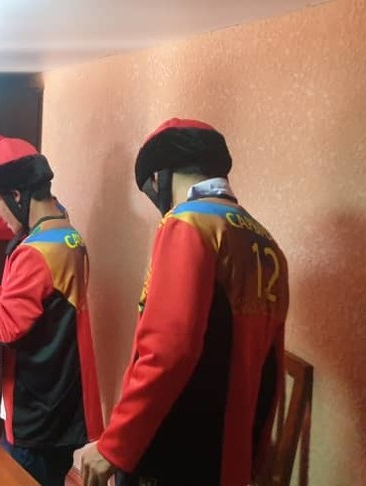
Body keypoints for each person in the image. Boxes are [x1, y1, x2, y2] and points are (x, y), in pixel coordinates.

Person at [79, 119, 290, 486]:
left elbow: (167, 350)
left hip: (178, 450)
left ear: (158, 178)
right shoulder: (265, 241)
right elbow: (271, 363)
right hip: (233, 454)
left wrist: (115, 446)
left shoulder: (188, 224)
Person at [0, 137, 104, 485]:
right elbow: (33, 303)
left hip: (39, 408)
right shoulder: (66, 235)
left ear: (16, 195)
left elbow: (8, 326)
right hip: (62, 399)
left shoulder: (33, 251)